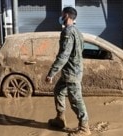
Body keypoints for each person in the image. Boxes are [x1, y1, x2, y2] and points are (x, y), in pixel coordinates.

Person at [45, 6, 91, 136]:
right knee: (58, 91)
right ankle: (60, 119)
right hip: (71, 71)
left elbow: (64, 55)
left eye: (62, 15)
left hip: (72, 72)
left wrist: (51, 73)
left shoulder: (68, 32)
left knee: (76, 99)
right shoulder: (77, 32)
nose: (60, 17)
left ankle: (84, 128)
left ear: (66, 16)